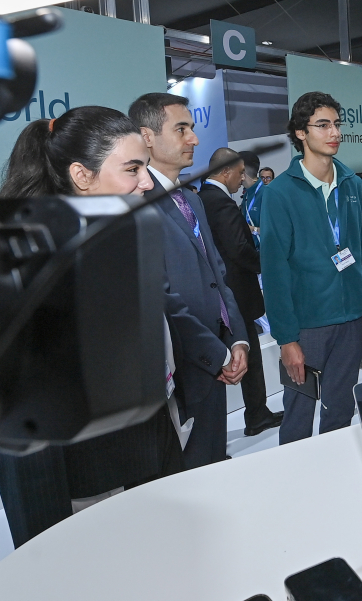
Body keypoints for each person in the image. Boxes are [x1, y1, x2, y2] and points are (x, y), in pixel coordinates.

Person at [0, 106, 183, 547]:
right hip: (90, 503)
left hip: (147, 472)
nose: (146, 181)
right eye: (133, 169)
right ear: (82, 176)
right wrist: (47, 547)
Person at [129, 92, 249, 469]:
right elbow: (158, 294)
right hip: (179, 369)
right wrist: (215, 354)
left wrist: (238, 338)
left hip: (215, 360)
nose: (194, 139)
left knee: (211, 462)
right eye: (181, 129)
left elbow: (218, 274)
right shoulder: (134, 202)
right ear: (147, 137)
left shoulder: (191, 200)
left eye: (192, 129)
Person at [260, 91, 362, 444]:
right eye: (323, 125)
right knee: (299, 413)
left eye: (337, 124)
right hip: (307, 325)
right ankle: (295, 491)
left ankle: (334, 482)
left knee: (341, 409)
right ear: (301, 132)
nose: (335, 133)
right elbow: (274, 269)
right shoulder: (280, 192)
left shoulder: (353, 184)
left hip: (351, 320)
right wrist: (286, 338)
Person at [199, 148, 283, 437]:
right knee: (251, 357)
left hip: (220, 292)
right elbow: (238, 249)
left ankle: (257, 414)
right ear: (226, 171)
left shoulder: (201, 198)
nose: (241, 179)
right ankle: (257, 415)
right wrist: (266, 265)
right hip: (236, 293)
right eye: (238, 173)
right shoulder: (220, 203)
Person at [239, 151, 264, 248]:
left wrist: (252, 230)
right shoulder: (246, 194)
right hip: (251, 254)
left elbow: (278, 230)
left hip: (264, 255)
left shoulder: (266, 194)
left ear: (243, 171)